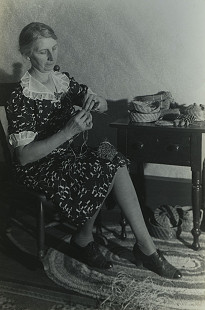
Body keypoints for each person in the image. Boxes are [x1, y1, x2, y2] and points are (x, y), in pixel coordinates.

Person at [6, 22, 182, 279]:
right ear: (27, 55)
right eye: (43, 52)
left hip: (67, 157)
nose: (52, 57)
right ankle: (86, 238)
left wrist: (96, 101)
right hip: (39, 166)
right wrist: (68, 132)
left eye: (55, 48)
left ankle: (145, 248)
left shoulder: (62, 81)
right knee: (102, 166)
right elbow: (23, 156)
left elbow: (99, 104)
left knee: (113, 157)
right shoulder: (20, 97)